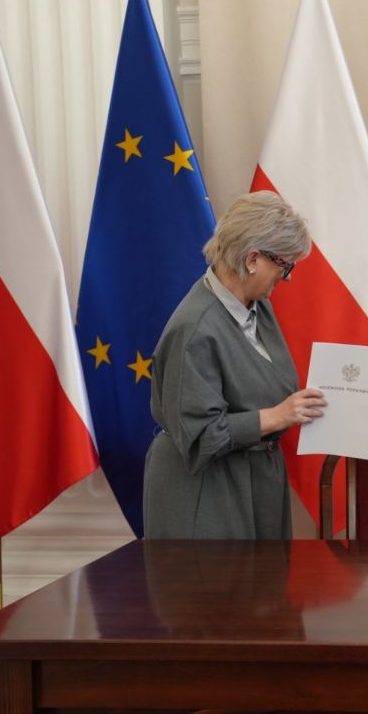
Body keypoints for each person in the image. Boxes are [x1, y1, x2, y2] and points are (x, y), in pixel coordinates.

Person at [143, 191, 327, 539]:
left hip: (257, 481)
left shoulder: (257, 305)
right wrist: (277, 416)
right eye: (285, 265)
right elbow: (201, 437)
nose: (287, 277)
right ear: (253, 258)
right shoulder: (194, 330)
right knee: (215, 577)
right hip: (206, 491)